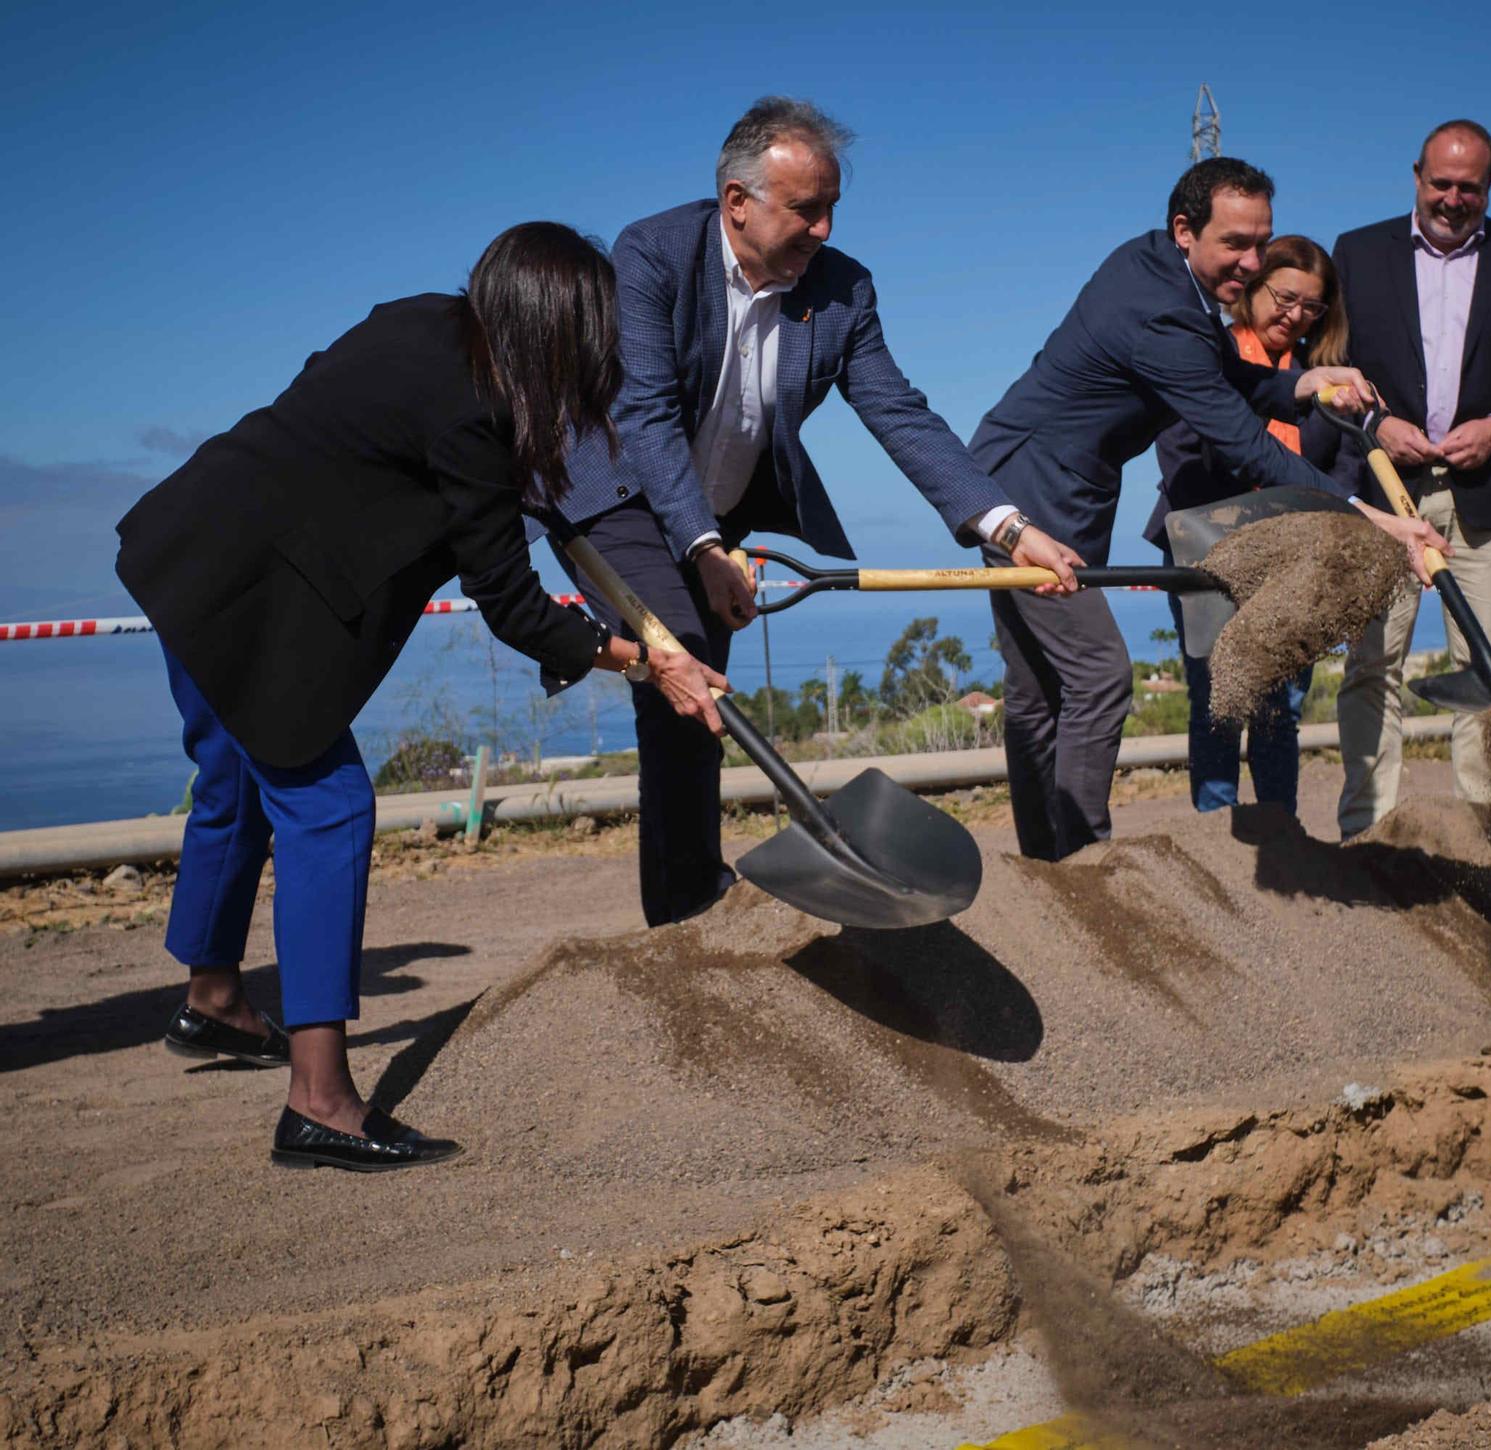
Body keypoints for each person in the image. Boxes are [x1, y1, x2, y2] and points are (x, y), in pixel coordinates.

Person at [115, 223, 728, 1172]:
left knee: (234, 779)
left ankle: (213, 1002)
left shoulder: (421, 325)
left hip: (189, 548)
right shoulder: (475, 415)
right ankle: (320, 1101)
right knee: (329, 808)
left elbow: (377, 452)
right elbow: (514, 605)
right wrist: (653, 664)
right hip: (249, 597)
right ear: (556, 330)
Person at [553, 96, 1081, 925]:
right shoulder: (652, 254)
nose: (826, 228)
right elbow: (646, 414)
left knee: (698, 692)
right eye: (807, 208)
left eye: (833, 207)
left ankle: (689, 897)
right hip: (621, 499)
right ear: (737, 201)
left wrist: (1010, 528)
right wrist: (701, 548)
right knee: (683, 671)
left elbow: (900, 414)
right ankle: (689, 909)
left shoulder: (843, 292)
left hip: (713, 518)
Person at [971, 158, 1447, 861]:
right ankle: (1084, 869)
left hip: (1056, 483)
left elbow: (1223, 372)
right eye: (1236, 245)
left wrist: (1304, 382)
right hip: (1029, 496)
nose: (1252, 263)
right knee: (1099, 677)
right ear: (1185, 229)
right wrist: (1369, 516)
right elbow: (1248, 446)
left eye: (1263, 242)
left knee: (1040, 689)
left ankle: (1046, 867)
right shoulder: (1161, 310)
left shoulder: (1162, 271)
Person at [1333, 120, 1491, 837]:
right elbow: (1325, 375)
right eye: (1440, 184)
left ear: (1490, 187)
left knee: (1487, 670)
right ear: (1416, 176)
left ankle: (1485, 839)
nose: (1452, 199)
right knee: (1370, 667)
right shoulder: (1355, 253)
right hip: (1386, 498)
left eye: (1467, 188)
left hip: (1490, 498)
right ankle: (1367, 833)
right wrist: (1374, 425)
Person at [1141, 234, 1352, 814]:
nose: (1296, 315)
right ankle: (1218, 841)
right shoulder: (1203, 353)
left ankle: (1280, 835)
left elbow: (1346, 464)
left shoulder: (1326, 377)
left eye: (1312, 306)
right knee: (1217, 701)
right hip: (1208, 550)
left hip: (1300, 561)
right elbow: (1179, 451)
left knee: (1281, 705)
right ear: (1253, 287)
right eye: (1285, 298)